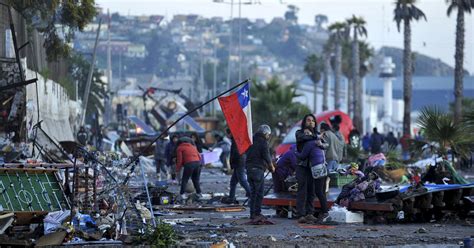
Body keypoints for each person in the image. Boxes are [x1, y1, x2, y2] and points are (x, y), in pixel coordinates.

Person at [295, 127, 329, 223]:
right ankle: (324, 212)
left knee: (318, 192)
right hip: (323, 167)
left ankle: (325, 213)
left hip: (317, 169)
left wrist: (295, 152)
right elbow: (327, 145)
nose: (305, 135)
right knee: (321, 192)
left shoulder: (309, 144)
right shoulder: (318, 142)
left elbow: (302, 156)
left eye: (307, 133)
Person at [246, 124, 275, 220]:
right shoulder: (263, 142)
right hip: (258, 170)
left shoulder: (251, 140)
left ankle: (252, 214)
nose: (268, 137)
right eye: (268, 135)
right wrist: (271, 167)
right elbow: (266, 156)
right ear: (265, 133)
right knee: (259, 193)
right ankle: (257, 213)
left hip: (249, 169)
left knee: (253, 192)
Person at [294, 114, 319, 223]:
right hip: (302, 166)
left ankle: (310, 213)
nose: (311, 122)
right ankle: (300, 215)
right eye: (308, 120)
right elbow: (304, 138)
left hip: (313, 166)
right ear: (304, 122)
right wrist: (315, 137)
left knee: (311, 191)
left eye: (313, 121)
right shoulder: (299, 133)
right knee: (302, 191)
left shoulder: (316, 134)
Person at [225, 128, 251, 204]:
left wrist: (232, 164)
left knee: (242, 180)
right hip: (239, 162)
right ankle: (231, 198)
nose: (226, 136)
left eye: (227, 134)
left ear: (230, 133)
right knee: (233, 182)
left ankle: (251, 194)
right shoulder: (235, 139)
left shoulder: (235, 140)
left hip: (239, 162)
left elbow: (235, 154)